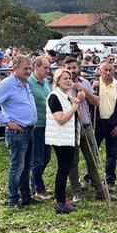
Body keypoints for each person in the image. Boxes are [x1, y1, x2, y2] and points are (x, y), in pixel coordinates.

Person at [0, 55, 37, 210]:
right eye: (25, 69)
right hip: (17, 132)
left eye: (30, 68)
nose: (28, 71)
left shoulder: (25, 83)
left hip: (28, 129)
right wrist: (7, 122)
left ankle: (26, 196)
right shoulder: (7, 84)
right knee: (17, 166)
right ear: (14, 69)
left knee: (27, 165)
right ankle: (13, 200)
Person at [64, 56, 113, 202]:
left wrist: (86, 91)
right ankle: (76, 191)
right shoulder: (62, 85)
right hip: (71, 127)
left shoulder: (85, 82)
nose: (72, 71)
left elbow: (97, 102)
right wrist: (77, 97)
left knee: (93, 158)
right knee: (73, 161)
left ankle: (99, 189)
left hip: (86, 125)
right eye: (69, 68)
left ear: (78, 68)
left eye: (74, 67)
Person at [46, 68, 83, 213]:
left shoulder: (65, 95)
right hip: (60, 138)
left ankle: (61, 200)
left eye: (70, 78)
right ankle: (60, 202)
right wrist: (74, 108)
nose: (68, 81)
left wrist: (73, 103)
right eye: (65, 78)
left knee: (66, 167)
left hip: (67, 137)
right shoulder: (54, 96)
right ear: (57, 81)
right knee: (63, 168)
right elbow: (60, 119)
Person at [94, 60, 117, 193]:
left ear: (113, 71)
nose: (107, 73)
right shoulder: (95, 85)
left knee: (112, 155)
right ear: (100, 70)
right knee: (93, 153)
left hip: (113, 124)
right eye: (105, 70)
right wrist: (92, 88)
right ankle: (91, 178)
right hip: (97, 124)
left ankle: (110, 180)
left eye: (110, 70)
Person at [29, 55, 53, 200]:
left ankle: (35, 182)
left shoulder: (46, 83)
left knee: (46, 157)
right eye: (45, 68)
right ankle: (38, 188)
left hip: (48, 124)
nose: (48, 70)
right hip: (36, 125)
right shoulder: (29, 83)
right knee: (37, 159)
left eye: (49, 68)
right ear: (36, 67)